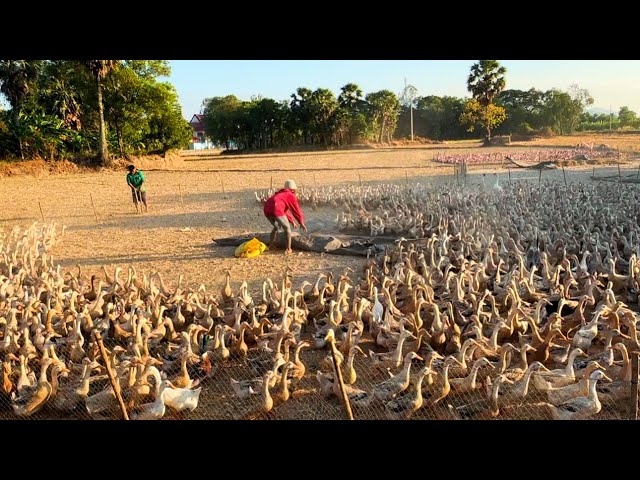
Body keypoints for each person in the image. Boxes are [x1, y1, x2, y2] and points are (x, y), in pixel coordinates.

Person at [263, 180, 307, 255]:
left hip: (267, 209)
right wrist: (301, 222)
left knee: (276, 227)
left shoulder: (280, 194)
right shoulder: (291, 195)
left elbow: (283, 210)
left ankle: (271, 245)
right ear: (293, 189)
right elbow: (296, 210)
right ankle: (288, 249)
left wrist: (291, 221)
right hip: (276, 209)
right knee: (287, 229)